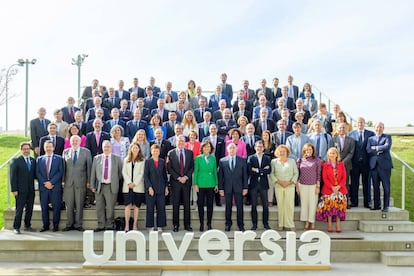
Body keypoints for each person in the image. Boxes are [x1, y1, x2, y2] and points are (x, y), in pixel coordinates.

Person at [90, 141, 123, 231]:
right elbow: (93, 173)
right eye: (105, 147)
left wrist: (114, 181)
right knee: (99, 207)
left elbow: (120, 174)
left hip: (111, 186)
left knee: (110, 207)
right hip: (99, 186)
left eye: (108, 147)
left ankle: (109, 225)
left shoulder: (117, 159)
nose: (106, 148)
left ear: (111, 148)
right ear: (102, 148)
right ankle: (101, 225)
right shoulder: (97, 158)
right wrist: (92, 185)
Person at [62, 135, 92, 232]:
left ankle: (78, 224)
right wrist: (62, 181)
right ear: (70, 142)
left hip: (81, 182)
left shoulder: (86, 152)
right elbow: (63, 168)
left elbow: (89, 168)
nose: (74, 142)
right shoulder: (65, 152)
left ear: (80, 142)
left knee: (79, 204)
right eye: (73, 141)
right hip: (68, 182)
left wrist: (88, 181)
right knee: (69, 204)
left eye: (76, 141)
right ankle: (69, 224)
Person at [317, 147, 348, 233]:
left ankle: (338, 224)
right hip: (329, 189)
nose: (332, 155)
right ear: (328, 155)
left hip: (340, 189)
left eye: (333, 153)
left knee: (339, 208)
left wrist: (338, 186)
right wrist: (332, 187)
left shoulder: (341, 164)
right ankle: (330, 224)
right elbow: (325, 178)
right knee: (329, 207)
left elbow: (344, 177)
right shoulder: (325, 165)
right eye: (330, 153)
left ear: (337, 155)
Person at [167, 135, 194, 232]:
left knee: (187, 204)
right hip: (175, 182)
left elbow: (192, 167)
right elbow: (169, 168)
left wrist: (186, 177)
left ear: (185, 142)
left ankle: (187, 225)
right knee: (176, 204)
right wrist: (178, 178)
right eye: (179, 141)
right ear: (176, 142)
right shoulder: (171, 153)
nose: (181, 143)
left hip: (186, 182)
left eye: (182, 141)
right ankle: (176, 225)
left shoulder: (190, 153)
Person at [219, 143, 248, 232]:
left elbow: (245, 175)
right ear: (227, 150)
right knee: (228, 206)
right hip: (227, 187)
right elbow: (221, 176)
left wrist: (245, 187)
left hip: (239, 187)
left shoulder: (242, 160)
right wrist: (221, 188)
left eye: (233, 148)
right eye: (230, 148)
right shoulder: (222, 161)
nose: (232, 149)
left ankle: (241, 224)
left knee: (240, 206)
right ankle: (228, 224)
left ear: (236, 149)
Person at [36, 140, 64, 232]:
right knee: (44, 207)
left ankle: (55, 225)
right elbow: (37, 173)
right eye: (46, 147)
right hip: (43, 187)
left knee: (56, 207)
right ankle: (45, 225)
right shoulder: (39, 159)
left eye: (50, 147)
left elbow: (60, 172)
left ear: (53, 148)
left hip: (55, 187)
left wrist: (51, 182)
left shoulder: (59, 159)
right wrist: (45, 182)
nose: (48, 148)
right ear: (44, 148)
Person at [269, 145, 299, 231]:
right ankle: (281, 224)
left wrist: (290, 182)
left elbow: (296, 173)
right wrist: (279, 182)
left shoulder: (292, 161)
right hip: (279, 186)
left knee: (289, 206)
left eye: (284, 151)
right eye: (280, 151)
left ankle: (290, 224)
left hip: (290, 186)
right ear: (277, 153)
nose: (282, 153)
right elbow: (272, 174)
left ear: (287, 152)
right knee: (280, 206)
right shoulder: (273, 162)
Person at [348, 117, 375, 208]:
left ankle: (367, 202)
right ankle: (354, 202)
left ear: (364, 123)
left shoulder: (371, 134)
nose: (360, 124)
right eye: (359, 122)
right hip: (354, 163)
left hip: (366, 163)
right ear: (357, 123)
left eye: (362, 122)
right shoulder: (351, 134)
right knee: (354, 183)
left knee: (366, 183)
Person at [10, 142, 36, 234]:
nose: (26, 150)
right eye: (24, 149)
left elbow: (35, 175)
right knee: (19, 209)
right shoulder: (16, 161)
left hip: (30, 189)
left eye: (28, 149)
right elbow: (12, 177)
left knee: (30, 208)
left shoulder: (33, 161)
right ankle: (16, 227)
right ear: (21, 150)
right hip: (20, 190)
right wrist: (14, 189)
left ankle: (27, 225)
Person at [366, 122, 393, 212]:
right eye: (377, 127)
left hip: (385, 166)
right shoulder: (370, 139)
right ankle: (377, 205)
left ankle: (386, 206)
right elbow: (368, 150)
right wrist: (379, 149)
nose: (379, 129)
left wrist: (376, 148)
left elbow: (387, 146)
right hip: (374, 166)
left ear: (383, 128)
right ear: (374, 128)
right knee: (375, 187)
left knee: (386, 186)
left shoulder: (387, 137)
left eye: (381, 127)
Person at [193, 141, 218, 231]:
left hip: (211, 183)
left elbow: (215, 171)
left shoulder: (213, 158)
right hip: (200, 184)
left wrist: (216, 183)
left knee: (210, 205)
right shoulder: (198, 158)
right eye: (205, 147)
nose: (207, 148)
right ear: (202, 148)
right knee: (200, 205)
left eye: (208, 147)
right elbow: (196, 172)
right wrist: (195, 183)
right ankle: (201, 223)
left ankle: (209, 223)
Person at [297, 143, 322, 231]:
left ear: (313, 151)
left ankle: (312, 222)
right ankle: (306, 222)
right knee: (304, 204)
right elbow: (297, 173)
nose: (309, 151)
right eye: (307, 150)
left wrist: (318, 186)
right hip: (302, 185)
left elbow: (318, 174)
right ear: (304, 151)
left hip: (313, 185)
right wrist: (297, 185)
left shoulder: (317, 160)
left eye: (310, 150)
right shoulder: (300, 160)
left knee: (313, 204)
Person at [247, 140, 272, 230]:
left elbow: (269, 170)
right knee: (254, 205)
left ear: (263, 148)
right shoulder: (250, 158)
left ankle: (266, 224)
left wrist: (257, 170)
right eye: (258, 146)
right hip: (253, 184)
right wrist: (262, 170)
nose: (259, 148)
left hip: (263, 184)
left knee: (265, 205)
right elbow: (250, 170)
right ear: (255, 147)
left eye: (261, 147)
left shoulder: (267, 158)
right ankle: (254, 224)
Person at [144, 144, 169, 231]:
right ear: (151, 151)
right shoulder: (148, 162)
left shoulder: (162, 161)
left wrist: (166, 187)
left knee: (161, 208)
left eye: (157, 151)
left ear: (159, 152)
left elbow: (164, 175)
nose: (155, 152)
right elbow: (146, 176)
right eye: (154, 151)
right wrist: (149, 187)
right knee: (150, 208)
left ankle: (160, 225)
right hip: (151, 189)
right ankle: (150, 226)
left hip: (161, 188)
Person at [122, 143, 146, 232]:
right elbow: (124, 172)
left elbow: (141, 173)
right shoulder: (126, 160)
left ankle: (135, 225)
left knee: (136, 206)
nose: (135, 149)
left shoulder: (142, 160)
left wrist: (134, 183)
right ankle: (127, 225)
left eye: (137, 148)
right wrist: (129, 182)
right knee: (127, 206)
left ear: (139, 149)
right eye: (133, 148)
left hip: (138, 186)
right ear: (131, 149)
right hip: (127, 186)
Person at [332, 123, 355, 207]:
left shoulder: (351, 140)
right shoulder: (333, 139)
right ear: (337, 129)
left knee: (345, 184)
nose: (342, 129)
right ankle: (336, 202)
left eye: (343, 128)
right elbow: (331, 151)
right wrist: (336, 161)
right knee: (335, 183)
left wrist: (342, 162)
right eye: (340, 128)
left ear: (346, 129)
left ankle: (345, 202)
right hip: (335, 165)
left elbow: (351, 153)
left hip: (346, 165)